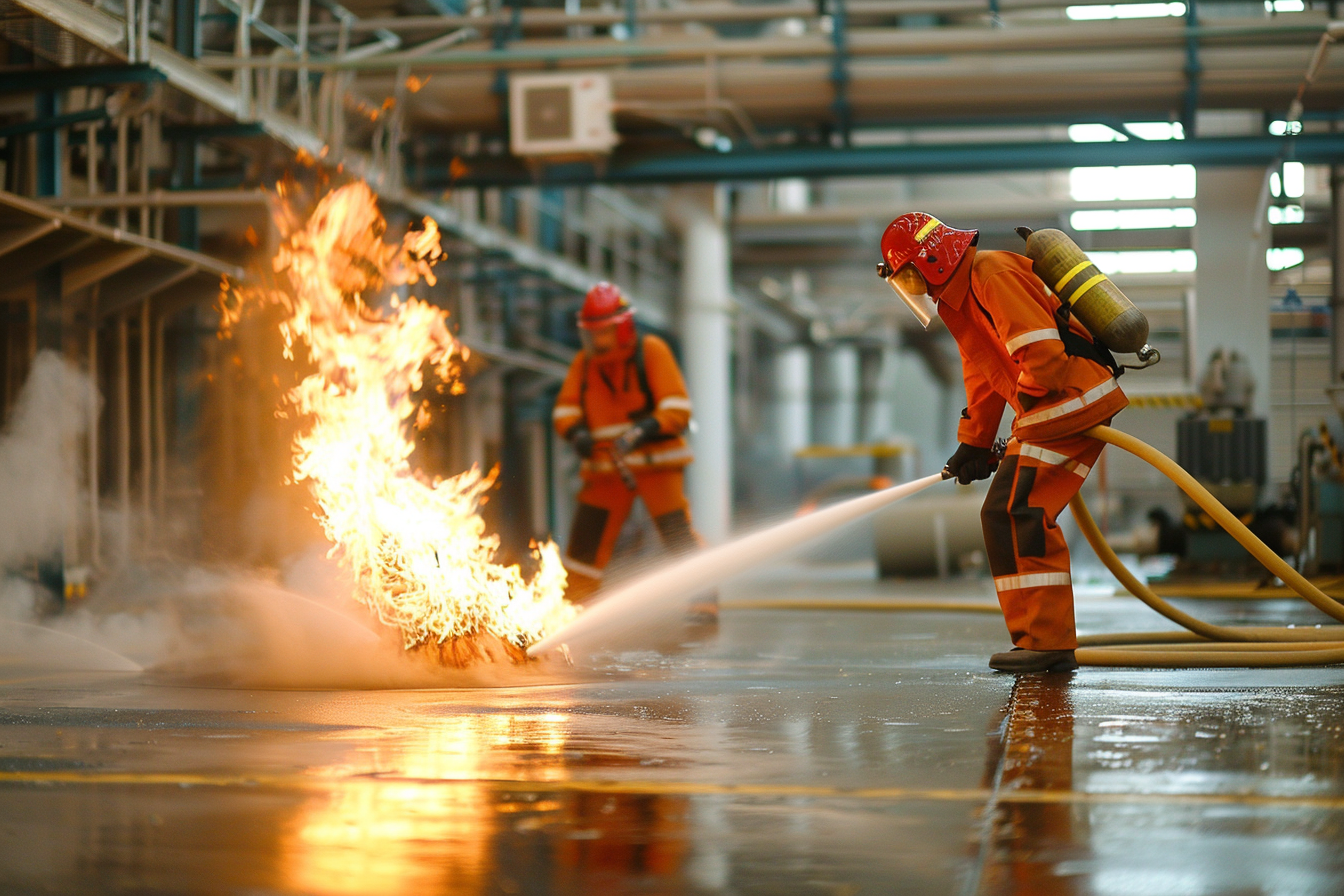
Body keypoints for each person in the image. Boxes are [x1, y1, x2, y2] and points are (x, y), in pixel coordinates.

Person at [877, 212, 1129, 673]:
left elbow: (1045, 359)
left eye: (911, 276)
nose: (915, 290)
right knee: (1002, 514)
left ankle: (1049, 641)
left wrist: (1020, 421)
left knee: (1020, 510)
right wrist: (974, 440)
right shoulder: (959, 298)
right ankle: (1034, 638)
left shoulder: (992, 273)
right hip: (1051, 406)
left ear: (931, 257)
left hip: (1071, 398)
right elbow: (984, 374)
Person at [553, 282, 715, 620]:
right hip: (605, 469)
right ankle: (578, 607)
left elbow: (677, 406)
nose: (599, 341)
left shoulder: (652, 351)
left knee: (675, 533)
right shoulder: (585, 364)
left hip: (657, 464)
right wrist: (578, 434)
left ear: (623, 326)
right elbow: (564, 410)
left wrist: (644, 430)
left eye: (605, 332)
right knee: (586, 542)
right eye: (593, 333)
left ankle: (704, 598)